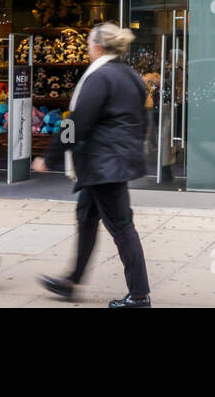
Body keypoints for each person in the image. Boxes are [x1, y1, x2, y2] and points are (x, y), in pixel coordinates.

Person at [32, 23, 153, 308]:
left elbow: (76, 122)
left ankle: (139, 295)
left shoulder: (101, 77)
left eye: (88, 43)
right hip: (109, 163)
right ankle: (71, 282)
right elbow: (143, 120)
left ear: (98, 47)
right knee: (87, 218)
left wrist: (49, 156)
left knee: (122, 228)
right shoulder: (130, 76)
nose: (87, 47)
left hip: (103, 166)